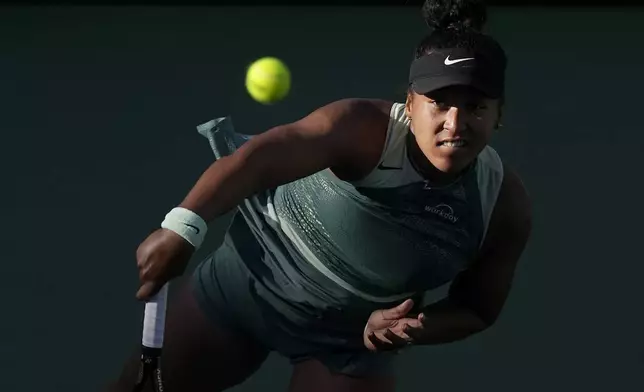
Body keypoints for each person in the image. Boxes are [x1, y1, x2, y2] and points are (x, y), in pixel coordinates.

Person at [106, 0, 532, 391]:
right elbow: (261, 160)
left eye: (475, 107)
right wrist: (184, 224)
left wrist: (413, 326)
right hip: (245, 284)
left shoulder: (503, 205)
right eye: (439, 103)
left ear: (499, 115)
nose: (455, 124)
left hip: (346, 343)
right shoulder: (360, 128)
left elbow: (477, 309)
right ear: (410, 103)